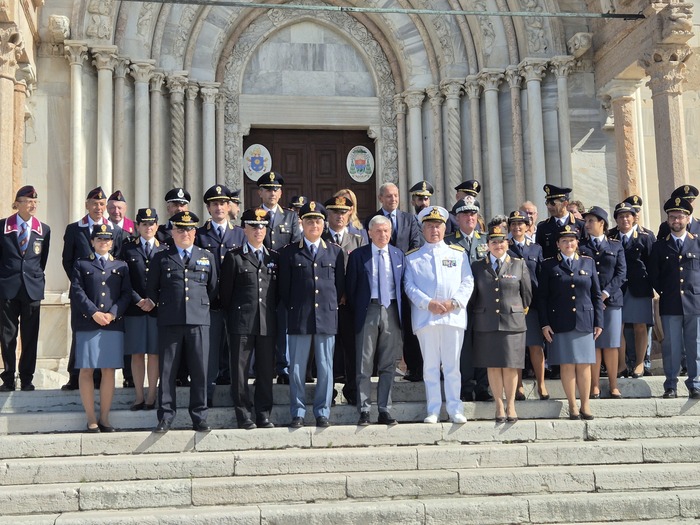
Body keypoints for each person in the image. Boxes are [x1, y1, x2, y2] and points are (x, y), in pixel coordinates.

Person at [145, 211, 218, 433]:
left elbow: (212, 288)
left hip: (198, 320)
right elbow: (152, 289)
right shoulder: (161, 257)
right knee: (167, 372)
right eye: (180, 229)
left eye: (188, 229)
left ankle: (199, 416)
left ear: (195, 232)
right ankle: (166, 416)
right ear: (173, 232)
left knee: (199, 370)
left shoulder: (207, 257)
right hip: (170, 320)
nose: (184, 233)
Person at [405, 206, 474, 424]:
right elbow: (409, 285)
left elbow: (468, 281)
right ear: (422, 229)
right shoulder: (413, 257)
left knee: (453, 366)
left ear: (444, 228)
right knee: (430, 366)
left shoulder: (458, 254)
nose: (434, 230)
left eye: (438, 226)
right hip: (427, 318)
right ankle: (433, 409)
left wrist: (454, 303)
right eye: (429, 226)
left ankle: (455, 408)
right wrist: (428, 303)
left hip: (453, 317)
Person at [279, 201, 345, 428]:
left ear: (324, 224)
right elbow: (284, 290)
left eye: (317, 220)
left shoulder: (335, 252)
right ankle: (297, 411)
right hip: (299, 316)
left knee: (326, 368)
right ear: (301, 223)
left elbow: (339, 287)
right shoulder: (289, 253)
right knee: (296, 368)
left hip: (326, 317)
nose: (313, 224)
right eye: (309, 220)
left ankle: (322, 411)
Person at [219, 208, 279, 430]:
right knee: (240, 370)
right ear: (245, 229)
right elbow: (225, 294)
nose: (258, 230)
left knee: (265, 370)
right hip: (241, 322)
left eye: (262, 226)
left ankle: (263, 413)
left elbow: (278, 294)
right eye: (254, 226)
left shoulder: (274, 257)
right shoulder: (234, 257)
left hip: (267, 322)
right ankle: (243, 413)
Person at [61, 187, 126, 390]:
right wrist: (81, 282)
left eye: (102, 204)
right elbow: (67, 260)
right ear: (87, 205)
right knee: (80, 333)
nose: (99, 208)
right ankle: (75, 376)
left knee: (103, 334)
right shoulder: (74, 229)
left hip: (107, 292)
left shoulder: (115, 231)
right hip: (82, 291)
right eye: (95, 204)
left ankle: (98, 378)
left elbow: (118, 260)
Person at [70, 225, 132, 432]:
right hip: (88, 322)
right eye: (99, 239)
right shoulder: (81, 264)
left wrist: (113, 313)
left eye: (107, 240)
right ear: (92, 241)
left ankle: (104, 417)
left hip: (112, 323)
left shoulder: (121, 265)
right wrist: (94, 312)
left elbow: (126, 293)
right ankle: (91, 418)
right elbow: (77, 291)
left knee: (108, 370)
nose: (103, 243)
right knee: (87, 369)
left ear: (112, 242)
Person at [538, 224, 603, 420]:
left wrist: (599, 321)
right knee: (567, 365)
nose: (569, 244)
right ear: (558, 244)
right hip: (560, 321)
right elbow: (542, 298)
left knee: (584, 364)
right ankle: (572, 405)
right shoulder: (549, 265)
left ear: (577, 242)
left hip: (584, 320)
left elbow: (596, 295)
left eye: (572, 240)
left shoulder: (588, 263)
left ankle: (585, 405)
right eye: (564, 240)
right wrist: (545, 323)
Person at [346, 215, 405, 425]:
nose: (383, 235)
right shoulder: (358, 256)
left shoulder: (398, 255)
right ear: (369, 233)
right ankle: (364, 408)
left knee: (388, 363)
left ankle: (384, 409)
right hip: (368, 310)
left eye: (386, 231)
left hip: (391, 310)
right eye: (378, 231)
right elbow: (351, 289)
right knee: (364, 362)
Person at [471, 225, 532, 423]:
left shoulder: (518, 264)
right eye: (494, 242)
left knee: (511, 366)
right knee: (493, 366)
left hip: (512, 322)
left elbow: (527, 295)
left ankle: (511, 404)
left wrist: (515, 310)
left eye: (502, 241)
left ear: (508, 243)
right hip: (487, 322)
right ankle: (498, 405)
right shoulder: (478, 266)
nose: (498, 245)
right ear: (487, 245)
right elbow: (474, 295)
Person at [365, 182, 422, 383]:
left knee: (408, 325)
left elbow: (416, 245)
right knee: (380, 328)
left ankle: (415, 369)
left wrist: (400, 266)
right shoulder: (371, 220)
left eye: (396, 195)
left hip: (405, 281)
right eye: (389, 196)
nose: (393, 199)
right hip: (381, 283)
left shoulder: (409, 219)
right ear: (381, 198)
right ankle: (377, 368)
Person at [195, 184, 245, 405]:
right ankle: (206, 396)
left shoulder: (240, 234)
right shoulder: (198, 235)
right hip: (210, 302)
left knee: (238, 353)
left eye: (222, 203)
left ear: (229, 206)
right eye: (214, 204)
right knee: (210, 352)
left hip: (237, 302)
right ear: (208, 208)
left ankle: (240, 396)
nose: (219, 207)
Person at [0, 186, 51, 392]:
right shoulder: (3, 227)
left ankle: (27, 378)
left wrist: (34, 278)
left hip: (32, 288)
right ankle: (8, 377)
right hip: (8, 288)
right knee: (7, 335)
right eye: (28, 201)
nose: (32, 205)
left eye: (35, 202)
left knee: (30, 335)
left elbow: (42, 260)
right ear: (17, 203)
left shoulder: (44, 229)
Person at [649, 197, 700, 399]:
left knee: (694, 345)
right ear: (668, 220)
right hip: (670, 303)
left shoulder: (697, 243)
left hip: (695, 303)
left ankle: (695, 383)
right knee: (671, 346)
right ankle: (670, 384)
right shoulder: (660, 246)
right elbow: (654, 275)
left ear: (688, 219)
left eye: (679, 216)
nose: (676, 220)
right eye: (672, 217)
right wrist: (667, 292)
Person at [257, 171, 302, 386]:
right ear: (260, 192)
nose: (272, 193)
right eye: (267, 189)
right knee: (262, 326)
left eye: (275, 189)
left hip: (284, 279)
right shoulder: (254, 215)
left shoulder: (291, 217)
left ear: (281, 192)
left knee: (284, 325)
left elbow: (295, 247)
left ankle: (283, 367)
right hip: (260, 278)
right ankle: (262, 368)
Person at [444, 200, 491, 402]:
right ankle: (465, 386)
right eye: (465, 215)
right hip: (459, 302)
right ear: (457, 218)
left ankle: (483, 386)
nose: (469, 218)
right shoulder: (448, 242)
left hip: (483, 301)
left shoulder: (486, 240)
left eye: (473, 214)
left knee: (483, 343)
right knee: (462, 346)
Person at [120, 208, 166, 411]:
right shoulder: (128, 249)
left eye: (152, 223)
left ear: (157, 226)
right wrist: (138, 300)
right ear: (137, 226)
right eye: (144, 224)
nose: (148, 227)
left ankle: (152, 396)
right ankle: (139, 396)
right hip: (134, 309)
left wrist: (153, 301)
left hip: (157, 310)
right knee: (137, 354)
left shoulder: (164, 249)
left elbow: (167, 281)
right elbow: (123, 279)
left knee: (154, 353)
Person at [322, 195, 366, 405]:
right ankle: (327, 392)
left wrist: (348, 294)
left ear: (350, 214)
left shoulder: (358, 240)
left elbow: (364, 273)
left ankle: (352, 390)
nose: (339, 216)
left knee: (352, 350)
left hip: (351, 306)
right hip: (326, 305)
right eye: (335, 212)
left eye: (343, 212)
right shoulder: (319, 238)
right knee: (326, 351)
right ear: (328, 215)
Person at [579, 206, 627, 399]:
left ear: (602, 223)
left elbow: (621, 273)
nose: (587, 225)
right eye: (586, 221)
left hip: (612, 300)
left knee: (611, 344)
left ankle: (614, 385)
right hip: (589, 301)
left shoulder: (615, 245)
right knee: (595, 343)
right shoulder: (581, 246)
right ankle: (595, 385)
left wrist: (605, 294)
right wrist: (595, 296)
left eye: (591, 221)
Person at [609, 201, 655, 378]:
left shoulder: (645, 236)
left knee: (640, 326)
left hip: (639, 286)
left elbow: (652, 263)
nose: (624, 219)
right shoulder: (610, 236)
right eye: (620, 216)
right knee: (617, 327)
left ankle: (640, 363)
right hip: (618, 288)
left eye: (627, 215)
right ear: (616, 220)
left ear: (634, 217)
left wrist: (654, 287)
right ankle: (621, 364)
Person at [507, 210, 548, 401]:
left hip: (532, 304)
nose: (517, 227)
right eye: (513, 224)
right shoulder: (505, 249)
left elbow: (541, 276)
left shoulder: (536, 249)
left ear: (527, 226)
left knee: (535, 345)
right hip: (513, 303)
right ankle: (519, 385)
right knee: (516, 347)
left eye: (520, 224)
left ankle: (541, 384)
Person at [536, 184, 585, 260]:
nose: (549, 207)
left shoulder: (580, 225)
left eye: (552, 203)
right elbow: (539, 254)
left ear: (565, 203)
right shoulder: (543, 227)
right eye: (547, 203)